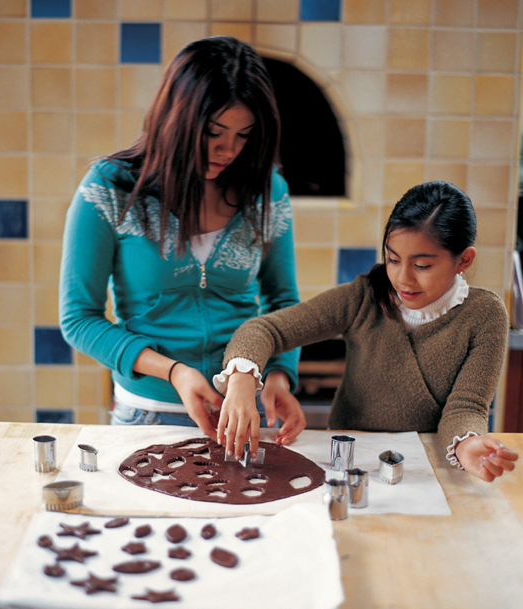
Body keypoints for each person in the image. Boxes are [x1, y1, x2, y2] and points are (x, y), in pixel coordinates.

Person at [59, 36, 302, 440]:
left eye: (244, 135)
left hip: (243, 416)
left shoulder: (267, 190)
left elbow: (284, 303)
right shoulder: (110, 189)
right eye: (213, 132)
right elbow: (78, 318)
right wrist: (175, 372)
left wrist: (279, 376)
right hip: (148, 416)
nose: (228, 150)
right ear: (177, 117)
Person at [215, 181, 519, 482]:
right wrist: (242, 377)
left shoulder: (485, 316)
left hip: (422, 472)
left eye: (422, 265)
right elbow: (264, 328)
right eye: (393, 259)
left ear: (464, 260)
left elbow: (466, 405)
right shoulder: (363, 297)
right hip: (347, 464)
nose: (403, 279)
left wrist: (465, 444)